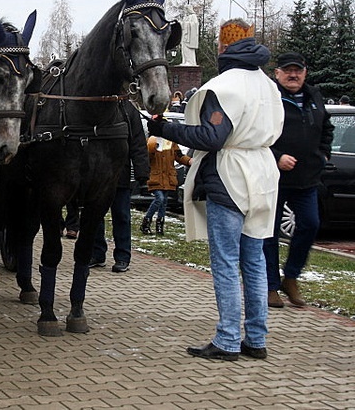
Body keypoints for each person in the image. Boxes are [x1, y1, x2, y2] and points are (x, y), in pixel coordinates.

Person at [147, 18, 284, 361]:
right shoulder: (268, 85)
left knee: (225, 262)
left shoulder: (224, 87)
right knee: (254, 262)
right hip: (264, 174)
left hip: (232, 176)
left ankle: (227, 339)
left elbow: (212, 138)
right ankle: (256, 338)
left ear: (224, 47)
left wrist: (166, 128)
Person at [263, 52, 334, 308]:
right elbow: (257, 134)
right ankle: (271, 286)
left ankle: (290, 276)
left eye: (298, 70)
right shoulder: (269, 97)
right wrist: (277, 156)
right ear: (277, 73)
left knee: (310, 224)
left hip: (307, 178)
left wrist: (324, 153)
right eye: (287, 70)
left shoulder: (314, 95)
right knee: (268, 234)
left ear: (305, 72)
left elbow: (327, 127)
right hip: (275, 177)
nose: (293, 75)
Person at [90, 101, 149, 272]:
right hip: (96, 174)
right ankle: (97, 252)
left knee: (121, 216)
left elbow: (138, 142)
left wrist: (142, 173)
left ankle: (123, 256)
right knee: (94, 216)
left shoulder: (127, 109)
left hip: (119, 175)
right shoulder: (96, 105)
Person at [140, 134, 192, 235]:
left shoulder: (171, 142)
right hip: (156, 178)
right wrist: (152, 148)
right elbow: (146, 157)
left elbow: (179, 156)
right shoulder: (151, 141)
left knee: (163, 203)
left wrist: (189, 161)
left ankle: (159, 226)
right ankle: (146, 221)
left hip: (168, 178)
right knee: (159, 199)